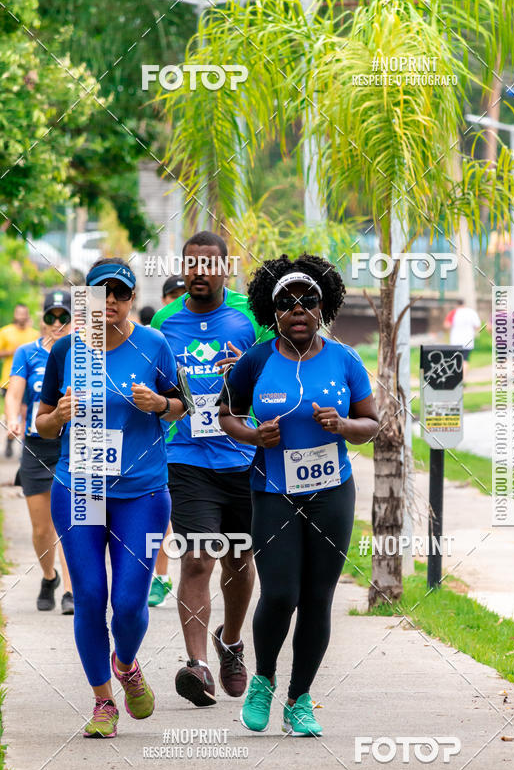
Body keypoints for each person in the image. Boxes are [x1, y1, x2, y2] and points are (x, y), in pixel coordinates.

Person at [218, 254, 378, 736]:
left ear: (323, 306)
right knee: (281, 592)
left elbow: (372, 423)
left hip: (332, 493)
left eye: (308, 301)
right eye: (286, 303)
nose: (298, 310)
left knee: (317, 599)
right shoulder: (258, 359)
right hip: (273, 491)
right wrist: (253, 437)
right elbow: (225, 413)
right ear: (274, 314)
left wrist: (344, 425)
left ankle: (299, 697)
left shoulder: (345, 359)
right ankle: (264, 678)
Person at [36, 258, 186, 739]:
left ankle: (126, 664)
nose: (112, 304)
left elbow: (182, 405)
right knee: (90, 597)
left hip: (141, 493)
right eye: (102, 295)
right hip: (79, 488)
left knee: (126, 602)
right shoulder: (66, 352)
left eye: (121, 295)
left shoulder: (154, 345)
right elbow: (40, 422)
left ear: (129, 299)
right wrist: (57, 416)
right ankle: (103, 701)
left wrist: (160, 405)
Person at [151, 232, 272, 707]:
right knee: (198, 558)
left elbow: (274, 370)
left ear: (225, 268)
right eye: (191, 264)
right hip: (187, 457)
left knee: (239, 560)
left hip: (242, 456)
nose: (199, 272)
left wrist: (246, 368)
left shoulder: (248, 317)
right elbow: (160, 386)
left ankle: (232, 641)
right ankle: (197, 665)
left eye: (208, 264)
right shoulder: (165, 320)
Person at [6, 292, 74, 613]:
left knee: (73, 523)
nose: (57, 324)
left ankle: (71, 592)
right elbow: (15, 390)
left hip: (71, 446)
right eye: (51, 317)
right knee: (41, 528)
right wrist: (12, 420)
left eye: (63, 317)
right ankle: (49, 577)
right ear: (42, 318)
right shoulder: (26, 352)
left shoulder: (83, 353)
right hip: (36, 446)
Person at [148, 276, 186, 608]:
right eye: (171, 296)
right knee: (164, 515)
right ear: (163, 302)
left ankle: (169, 575)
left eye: (182, 295)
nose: (177, 301)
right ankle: (160, 576)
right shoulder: (152, 339)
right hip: (162, 442)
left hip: (197, 441)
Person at [0, 304, 38, 457]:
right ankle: (9, 441)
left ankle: (25, 445)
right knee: (11, 412)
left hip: (29, 381)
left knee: (26, 412)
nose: (21, 316)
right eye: (19, 313)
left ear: (27, 315)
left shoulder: (34, 334)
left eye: (24, 313)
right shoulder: (5, 332)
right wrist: (11, 352)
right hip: (8, 380)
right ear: (15, 314)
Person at [443, 298, 481, 379]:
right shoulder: (471, 312)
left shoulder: (453, 312)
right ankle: (463, 379)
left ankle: (456, 378)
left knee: (456, 361)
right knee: (465, 360)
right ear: (464, 304)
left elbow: (447, 325)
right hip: (468, 340)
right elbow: (478, 326)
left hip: (455, 341)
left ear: (456, 304)